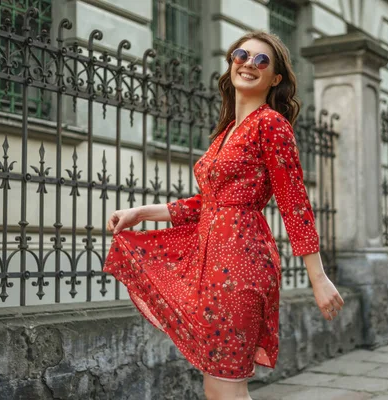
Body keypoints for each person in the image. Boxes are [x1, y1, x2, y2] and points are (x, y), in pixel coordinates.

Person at [103, 30, 344, 400]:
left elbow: (294, 203)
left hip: (243, 265)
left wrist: (318, 277)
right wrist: (141, 212)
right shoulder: (227, 132)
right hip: (209, 264)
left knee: (227, 386)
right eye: (242, 54)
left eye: (261, 61)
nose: (249, 63)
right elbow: (208, 204)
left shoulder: (271, 125)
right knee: (216, 385)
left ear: (275, 79)